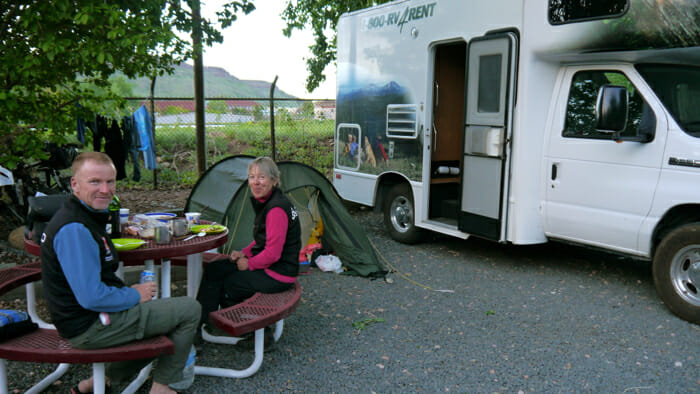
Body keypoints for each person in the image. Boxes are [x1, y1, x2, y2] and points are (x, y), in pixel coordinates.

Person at [40, 152, 200, 394]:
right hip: (88, 326)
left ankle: (98, 382)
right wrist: (135, 295)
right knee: (189, 310)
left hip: (84, 319)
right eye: (95, 181)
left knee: (166, 315)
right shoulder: (74, 229)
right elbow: (91, 297)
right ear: (75, 184)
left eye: (110, 182)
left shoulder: (83, 216)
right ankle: (161, 388)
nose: (105, 189)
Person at [197, 157, 301, 335]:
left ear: (274, 180)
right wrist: (245, 253)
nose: (256, 182)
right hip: (276, 267)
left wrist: (249, 264)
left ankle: (254, 331)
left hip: (279, 273)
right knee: (215, 269)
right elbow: (266, 239)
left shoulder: (276, 209)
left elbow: (273, 254)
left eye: (262, 177)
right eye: (252, 177)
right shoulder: (273, 201)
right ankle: (202, 324)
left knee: (230, 284)